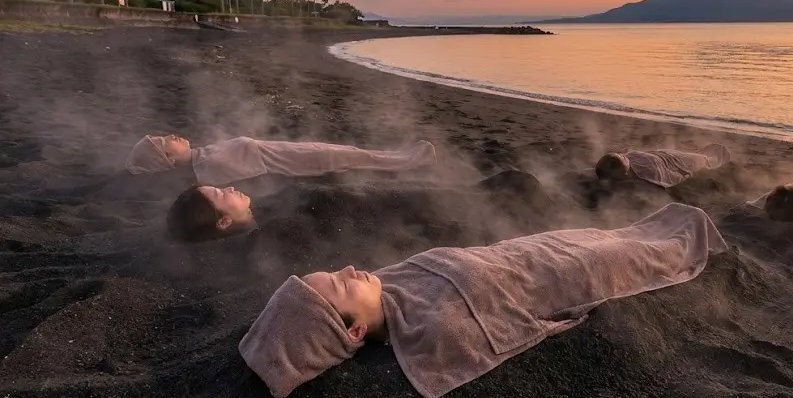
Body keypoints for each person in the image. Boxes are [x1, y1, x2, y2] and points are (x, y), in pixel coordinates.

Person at [238, 202, 727, 398]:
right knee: (645, 251)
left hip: (529, 249)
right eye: (342, 285)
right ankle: (692, 231)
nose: (349, 269)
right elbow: (522, 327)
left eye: (337, 270)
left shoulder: (388, 282)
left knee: (602, 233)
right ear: (354, 333)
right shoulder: (433, 335)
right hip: (566, 277)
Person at [166, 168, 571, 244]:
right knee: (519, 185)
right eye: (223, 194)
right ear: (223, 222)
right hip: (408, 211)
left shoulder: (268, 207)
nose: (233, 188)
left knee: (509, 182)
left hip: (401, 194)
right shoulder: (275, 233)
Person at [125, 134, 436, 187]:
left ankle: (399, 157)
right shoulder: (207, 166)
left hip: (290, 150)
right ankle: (406, 162)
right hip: (294, 162)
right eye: (167, 142)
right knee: (351, 157)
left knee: (349, 151)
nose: (173, 136)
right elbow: (259, 176)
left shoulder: (203, 155)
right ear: (167, 159)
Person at [594, 144, 731, 188]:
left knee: (699, 156)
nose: (620, 154)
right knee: (704, 159)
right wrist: (687, 174)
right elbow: (672, 176)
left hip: (667, 155)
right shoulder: (649, 174)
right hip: (673, 162)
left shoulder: (627, 158)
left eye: (619, 154)